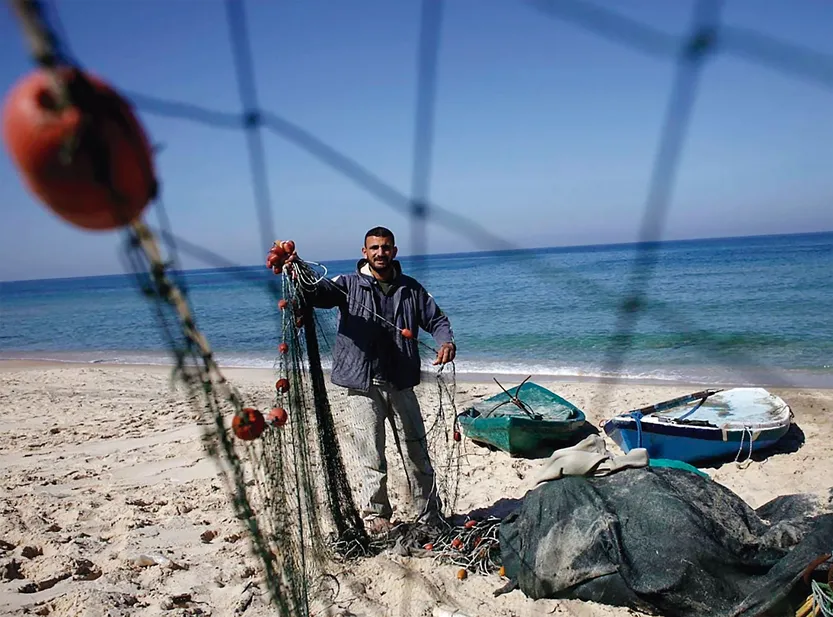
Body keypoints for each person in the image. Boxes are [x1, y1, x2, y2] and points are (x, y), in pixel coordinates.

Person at [268, 226, 456, 535]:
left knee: (416, 451)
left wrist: (446, 342)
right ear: (364, 252)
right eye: (374, 248)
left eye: (386, 247)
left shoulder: (411, 289)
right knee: (371, 454)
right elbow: (317, 293)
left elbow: (436, 320)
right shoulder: (347, 284)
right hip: (361, 384)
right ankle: (376, 515)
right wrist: (295, 266)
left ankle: (428, 513)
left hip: (401, 382)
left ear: (394, 251)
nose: (380, 252)